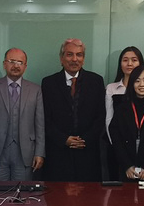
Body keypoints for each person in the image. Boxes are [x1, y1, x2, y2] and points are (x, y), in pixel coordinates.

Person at [41, 38, 105, 181]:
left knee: (88, 194)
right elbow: (45, 119)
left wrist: (84, 140)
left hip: (88, 154)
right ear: (61, 58)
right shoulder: (48, 83)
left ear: (83, 59)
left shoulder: (96, 81)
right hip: (58, 154)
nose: (74, 59)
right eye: (69, 54)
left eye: (79, 55)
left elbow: (101, 117)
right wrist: (64, 139)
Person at [0, 48, 44, 181]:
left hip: (25, 153)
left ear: (25, 66)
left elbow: (40, 124)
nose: (16, 66)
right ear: (4, 64)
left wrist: (39, 152)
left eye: (20, 62)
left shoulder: (35, 90)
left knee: (22, 192)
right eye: (12, 61)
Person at [110, 65, 144, 182]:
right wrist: (127, 165)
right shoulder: (122, 107)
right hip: (127, 167)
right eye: (137, 81)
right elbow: (115, 136)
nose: (141, 85)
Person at [103, 46, 144, 180]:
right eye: (125, 60)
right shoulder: (111, 88)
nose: (129, 64)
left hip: (141, 147)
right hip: (117, 145)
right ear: (120, 64)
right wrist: (115, 145)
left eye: (134, 60)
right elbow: (109, 120)